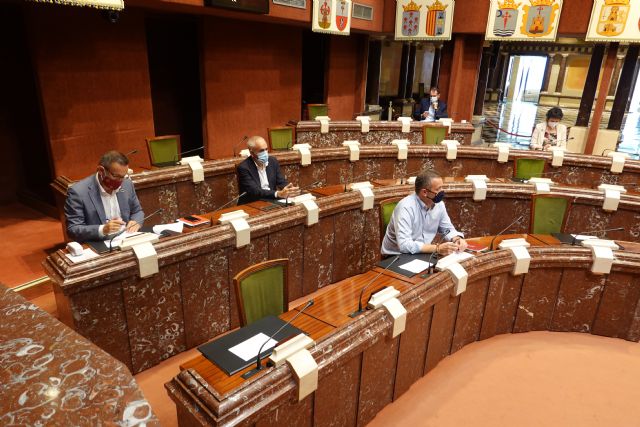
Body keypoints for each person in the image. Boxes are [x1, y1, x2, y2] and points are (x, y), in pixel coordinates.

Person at [381, 170, 466, 256]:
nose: (442, 192)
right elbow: (404, 245)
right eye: (438, 189)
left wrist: (457, 238)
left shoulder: (439, 205)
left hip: (423, 252)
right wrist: (437, 248)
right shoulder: (405, 207)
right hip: (396, 256)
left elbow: (447, 229)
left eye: (442, 188)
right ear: (424, 192)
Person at [65, 151, 144, 243]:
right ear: (101, 171)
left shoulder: (127, 184)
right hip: (98, 243)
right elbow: (73, 229)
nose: (120, 181)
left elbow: (137, 211)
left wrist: (136, 221)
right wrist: (103, 229)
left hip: (126, 239)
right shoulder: (78, 192)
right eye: (116, 176)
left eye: (123, 176)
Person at [237, 136, 299, 205]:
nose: (265, 153)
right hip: (253, 203)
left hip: (271, 199)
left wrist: (290, 190)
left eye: (266, 149)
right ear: (252, 153)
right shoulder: (244, 167)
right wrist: (278, 193)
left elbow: (281, 181)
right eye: (261, 150)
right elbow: (255, 191)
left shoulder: (272, 161)